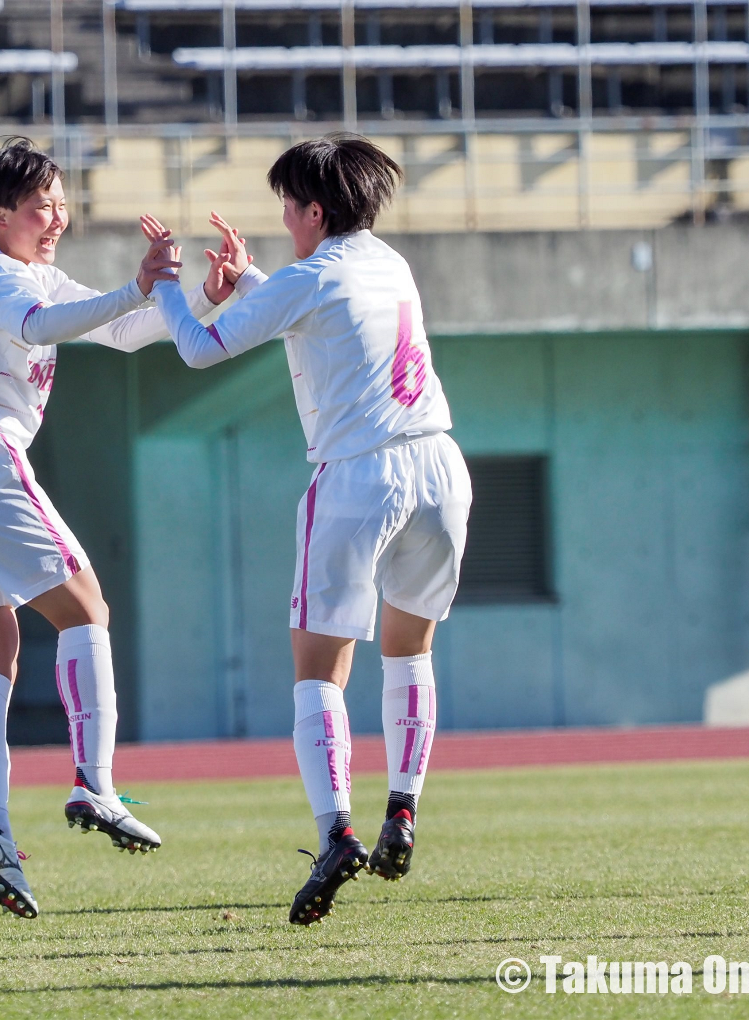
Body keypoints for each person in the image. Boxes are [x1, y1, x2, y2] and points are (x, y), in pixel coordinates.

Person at [0, 137, 236, 918]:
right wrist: (132, 286)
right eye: (44, 204)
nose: (59, 216)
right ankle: (95, 783)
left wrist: (204, 300)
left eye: (61, 201)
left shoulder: (25, 272)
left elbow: (117, 332)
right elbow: (47, 326)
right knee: (88, 609)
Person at [149, 135, 472, 925]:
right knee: (410, 652)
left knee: (318, 673)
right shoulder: (388, 263)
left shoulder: (310, 275)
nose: (285, 219)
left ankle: (336, 831)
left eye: (288, 206)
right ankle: (403, 807)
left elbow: (195, 348)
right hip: (440, 466)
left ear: (314, 211)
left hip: (360, 476)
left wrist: (168, 287)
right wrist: (253, 281)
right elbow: (322, 316)